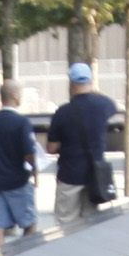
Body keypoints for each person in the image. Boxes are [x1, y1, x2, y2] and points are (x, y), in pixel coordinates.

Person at [47, 63, 118, 221]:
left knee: (66, 222)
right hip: (94, 174)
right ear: (91, 81)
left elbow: (51, 148)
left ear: (71, 83)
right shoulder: (103, 105)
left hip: (70, 174)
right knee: (90, 223)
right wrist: (92, 91)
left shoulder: (63, 112)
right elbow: (112, 105)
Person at [0, 79, 38, 247]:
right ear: (14, 95)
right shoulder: (22, 122)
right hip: (17, 180)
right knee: (29, 223)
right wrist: (34, 169)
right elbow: (28, 153)